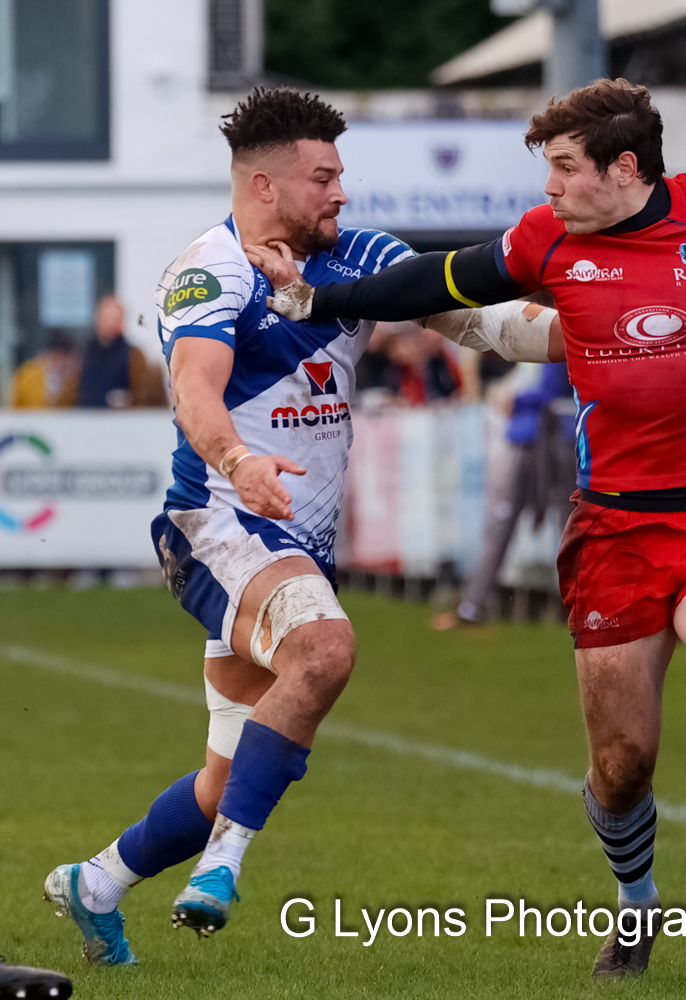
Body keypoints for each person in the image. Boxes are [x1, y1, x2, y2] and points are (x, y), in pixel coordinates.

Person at [247, 78, 686, 979]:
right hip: (613, 528)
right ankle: (637, 909)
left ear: (625, 168)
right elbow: (438, 277)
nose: (549, 188)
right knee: (621, 766)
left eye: (565, 169)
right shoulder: (549, 242)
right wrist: (313, 301)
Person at [42, 88, 427, 966]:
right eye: (322, 178)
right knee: (324, 651)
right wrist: (242, 462)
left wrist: (598, 328)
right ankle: (222, 870)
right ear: (264, 184)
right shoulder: (210, 268)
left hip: (292, 545)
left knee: (224, 781)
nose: (340, 193)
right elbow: (195, 394)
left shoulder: (359, 255)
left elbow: (477, 320)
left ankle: (94, 883)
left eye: (341, 176)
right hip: (214, 523)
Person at [436, 360, 575, 628]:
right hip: (528, 440)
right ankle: (472, 605)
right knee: (505, 523)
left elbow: (554, 388)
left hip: (548, 441)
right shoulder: (529, 346)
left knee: (567, 528)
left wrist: (515, 399)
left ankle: (583, 608)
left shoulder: (553, 335)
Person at [77, 296, 167, 408]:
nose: (110, 324)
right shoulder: (83, 353)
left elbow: (144, 397)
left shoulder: (134, 355)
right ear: (98, 319)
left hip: (122, 422)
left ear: (122, 321)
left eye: (115, 319)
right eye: (106, 318)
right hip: (84, 419)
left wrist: (128, 401)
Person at [10, 330, 79, 408]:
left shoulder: (74, 380)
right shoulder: (27, 376)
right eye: (55, 358)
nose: (58, 364)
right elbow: (15, 408)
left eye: (63, 359)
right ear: (43, 355)